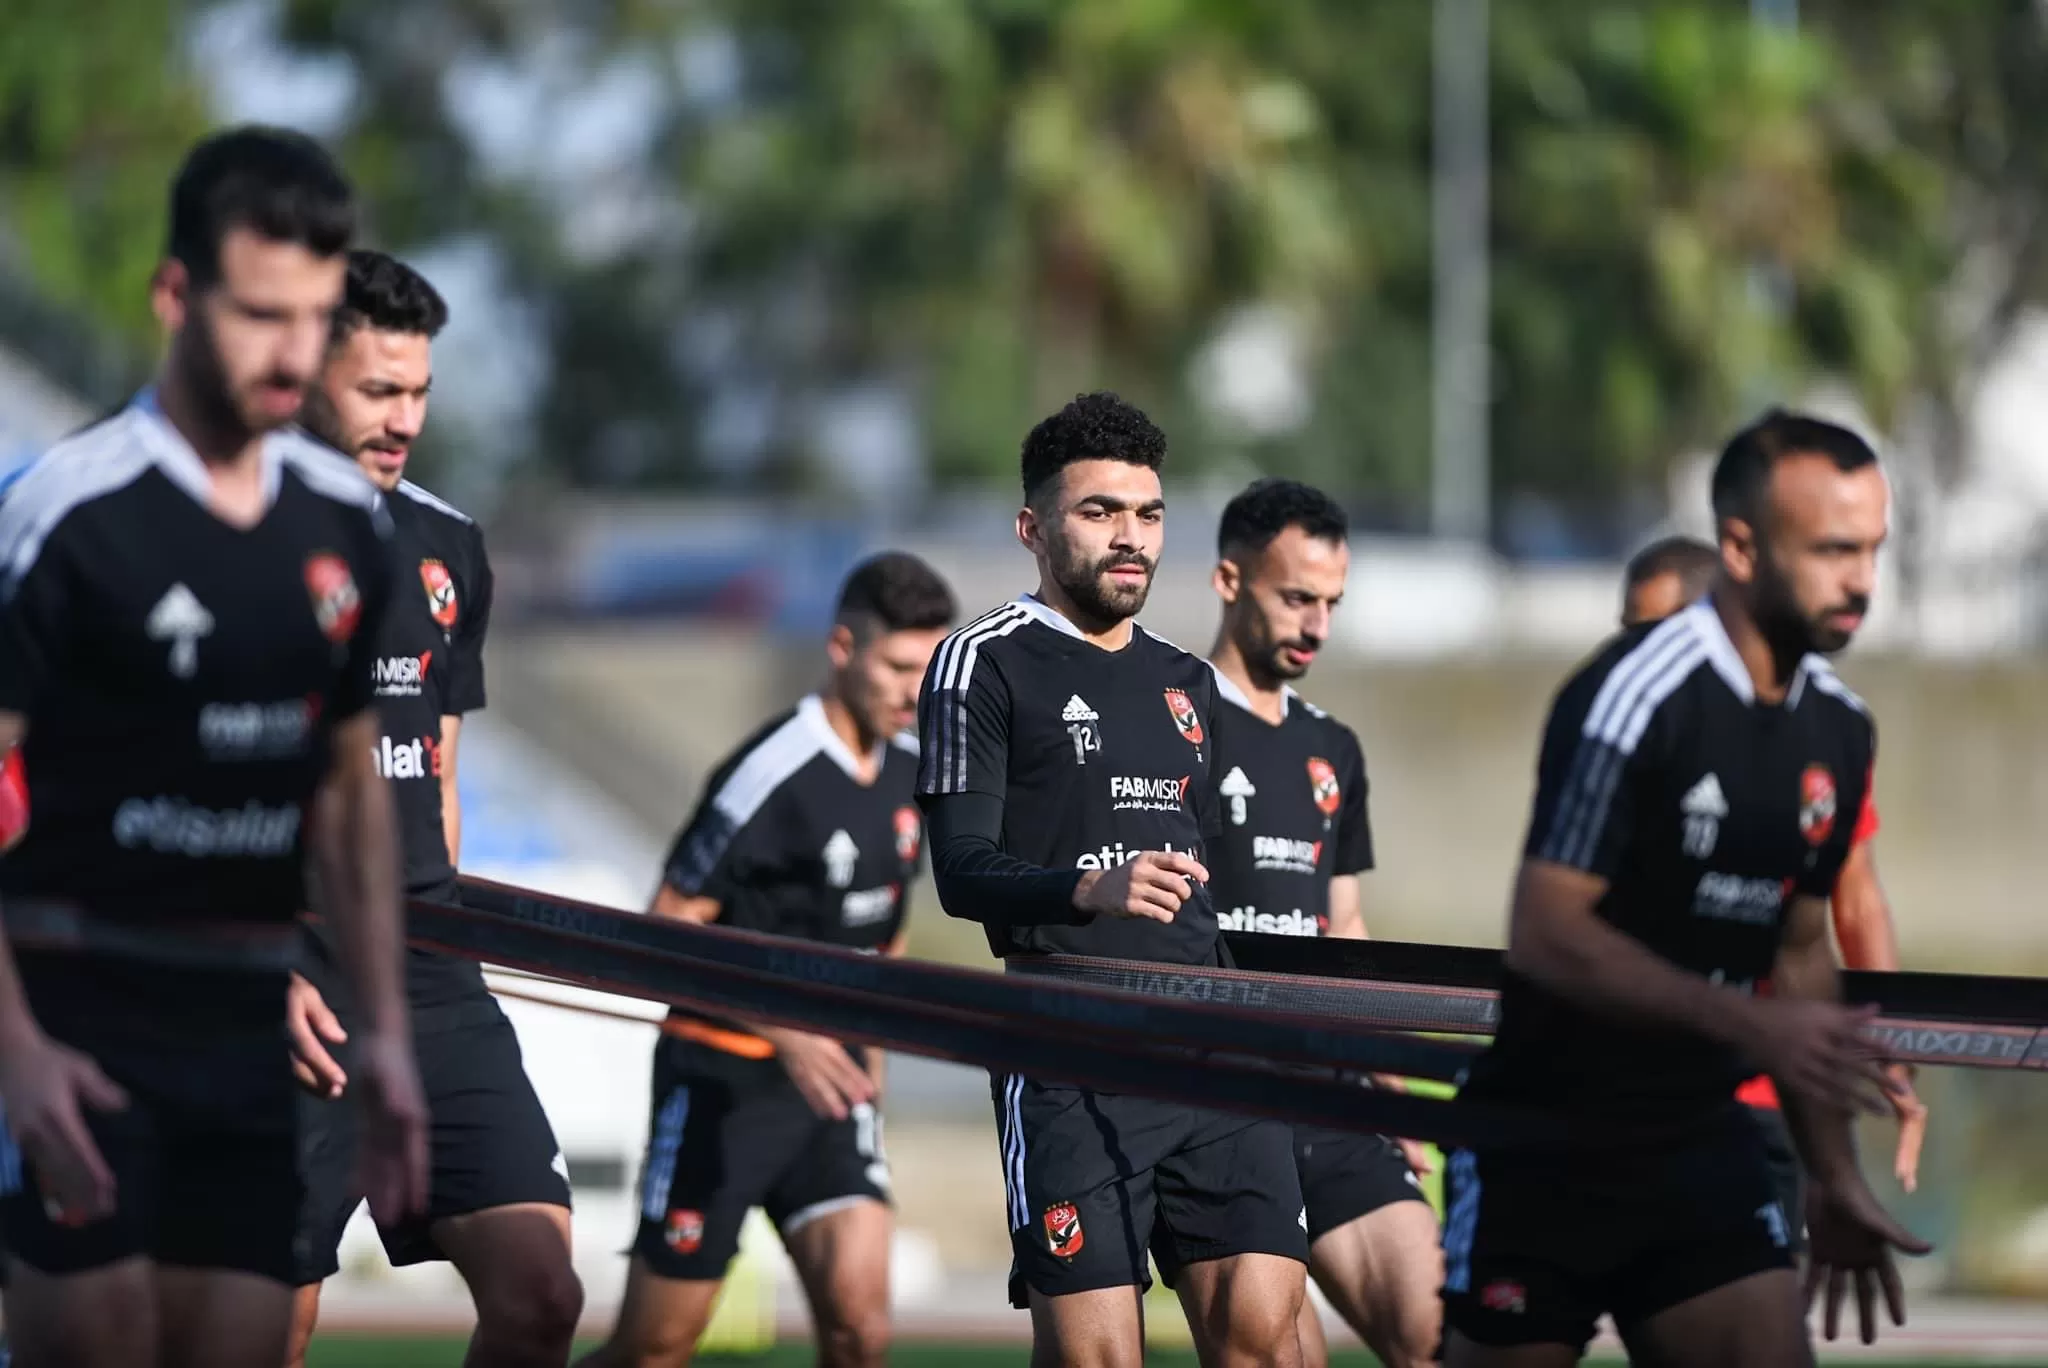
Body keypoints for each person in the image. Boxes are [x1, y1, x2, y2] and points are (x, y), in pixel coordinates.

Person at [0, 125, 427, 1368]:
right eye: (259, 315)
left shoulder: (343, 525)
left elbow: (348, 791)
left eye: (314, 319)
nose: (291, 353)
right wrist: (17, 1057)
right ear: (175, 295)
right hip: (77, 1021)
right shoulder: (68, 513)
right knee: (100, 1337)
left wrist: (387, 1032)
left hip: (243, 1035)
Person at [1441, 410, 1931, 1368]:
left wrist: (1833, 1174)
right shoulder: (1636, 694)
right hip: (1546, 1142)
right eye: (1834, 550)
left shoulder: (1840, 730)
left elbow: (1800, 951)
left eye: (1873, 548)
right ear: (1741, 548)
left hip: (1698, 1141)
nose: (1863, 580)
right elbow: (1546, 932)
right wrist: (1750, 1025)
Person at [916, 392, 1310, 1368]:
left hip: (1211, 1047)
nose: (1130, 537)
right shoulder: (980, 663)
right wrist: (1087, 889)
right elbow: (960, 873)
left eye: (1148, 514)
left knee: (1265, 1340)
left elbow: (1210, 884)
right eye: (1099, 512)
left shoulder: (1187, 681)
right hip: (1069, 1053)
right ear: (1033, 528)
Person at [284, 250, 580, 1367]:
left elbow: (439, 774)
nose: (404, 418)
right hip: (280, 971)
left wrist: (449, 947)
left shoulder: (450, 544)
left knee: (540, 1294)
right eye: (377, 390)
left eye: (418, 392)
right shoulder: (222, 530)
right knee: (267, 1330)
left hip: (429, 969)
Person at [575, 552, 956, 1368]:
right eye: (897, 667)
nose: (913, 691)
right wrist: (787, 1033)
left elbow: (884, 937)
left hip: (832, 1095)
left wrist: (870, 1072)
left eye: (928, 670)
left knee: (862, 1327)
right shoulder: (768, 773)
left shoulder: (913, 771)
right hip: (722, 1085)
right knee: (655, 1346)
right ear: (843, 648)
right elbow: (664, 929)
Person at [1620, 533, 1927, 1249]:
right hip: (1628, 1089)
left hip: (1758, 1096)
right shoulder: (1624, 730)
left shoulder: (1824, 729)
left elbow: (1852, 902)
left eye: (1655, 634)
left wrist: (1891, 1056)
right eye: (1628, 634)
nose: (1636, 658)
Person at [1203, 478, 1440, 1368]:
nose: (1318, 626)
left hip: (1330, 1089)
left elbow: (1343, 924)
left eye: (1332, 603)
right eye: (1297, 598)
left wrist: (1390, 1079)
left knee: (1442, 1336)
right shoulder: (1167, 726)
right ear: (1230, 579)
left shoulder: (1333, 747)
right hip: (1217, 1097)